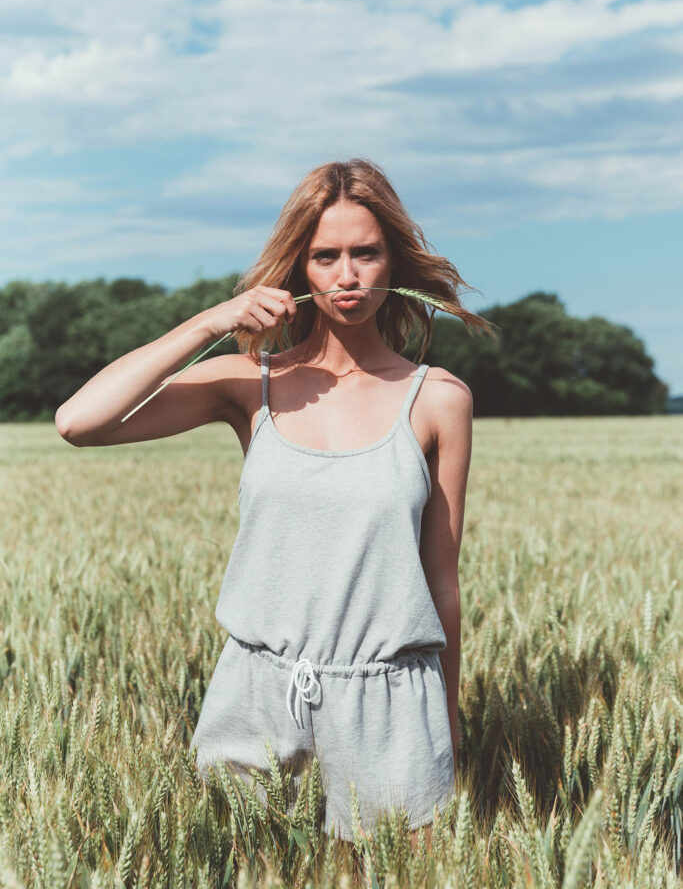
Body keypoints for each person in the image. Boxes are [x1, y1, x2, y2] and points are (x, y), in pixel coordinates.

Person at [55, 157, 493, 847]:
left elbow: (441, 582)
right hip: (256, 698)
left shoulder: (438, 399)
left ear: (393, 261)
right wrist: (210, 323)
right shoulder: (245, 384)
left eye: (365, 253)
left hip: (389, 708)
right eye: (325, 256)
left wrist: (447, 727)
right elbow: (79, 422)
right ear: (299, 270)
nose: (346, 275)